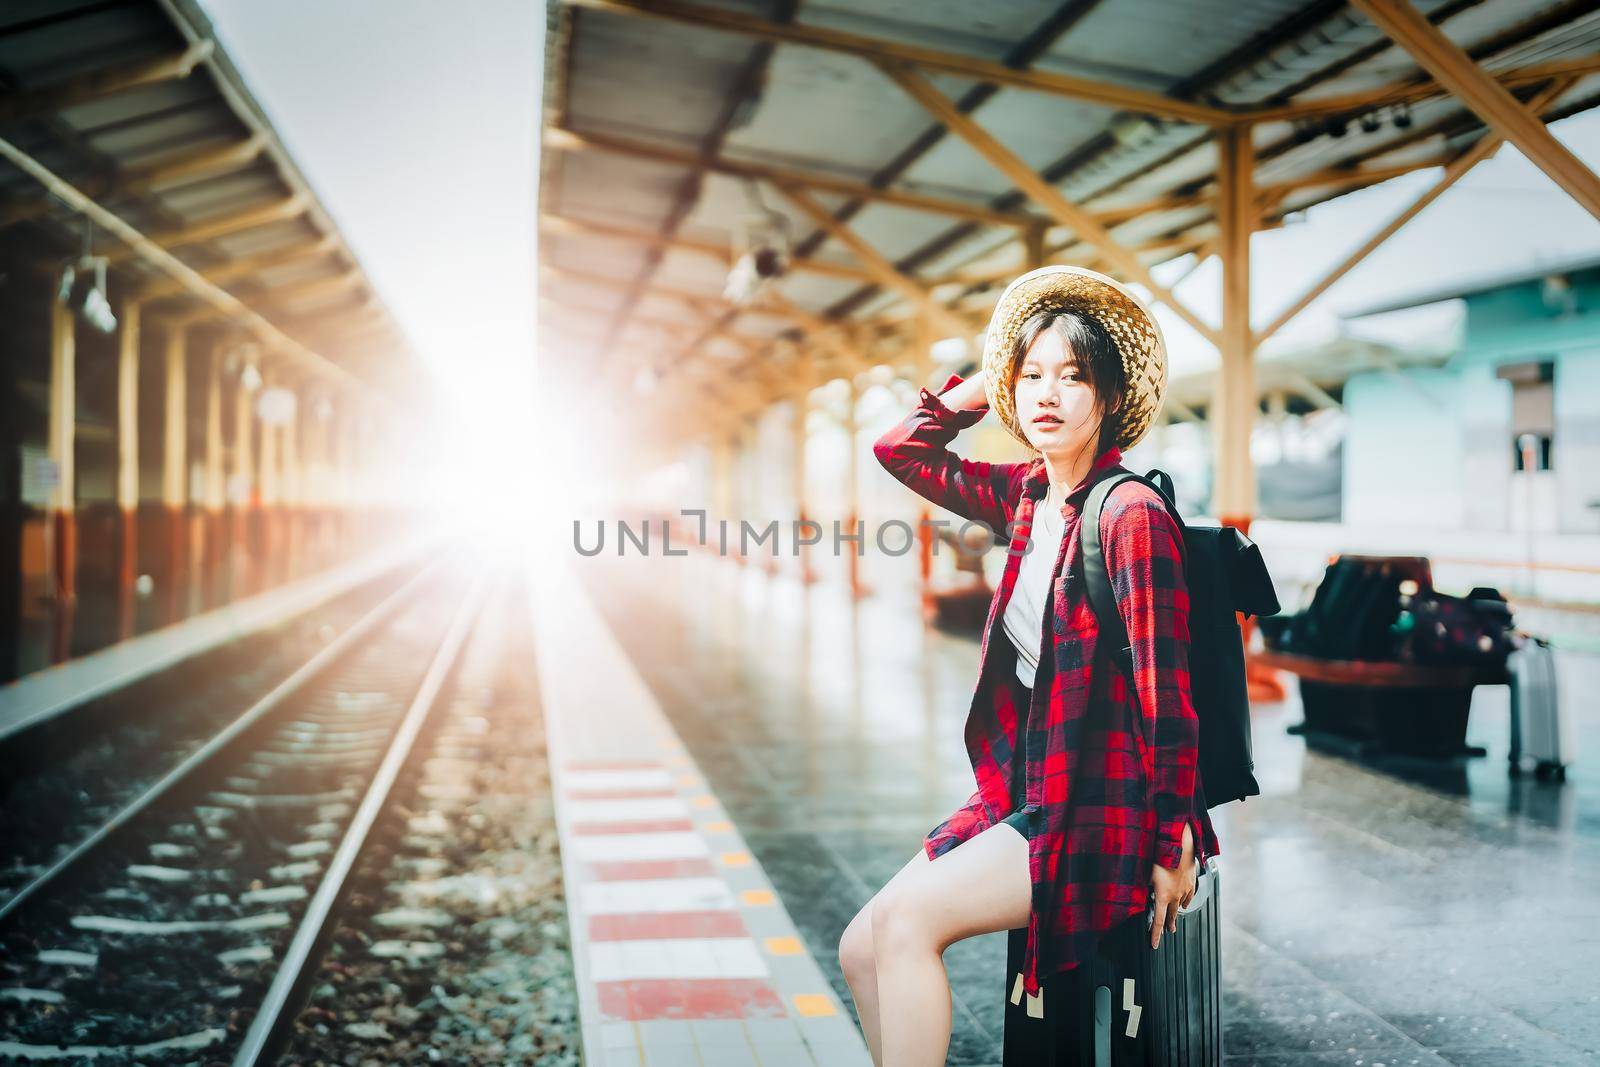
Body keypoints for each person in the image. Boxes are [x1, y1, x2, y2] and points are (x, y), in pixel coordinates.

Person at [841, 266, 1217, 1066]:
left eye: (1073, 377)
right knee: (859, 945)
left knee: (906, 927)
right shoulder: (1025, 493)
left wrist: (1168, 837)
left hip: (1100, 808)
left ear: (1108, 397)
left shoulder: (1130, 514)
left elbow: (1168, 693)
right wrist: (986, 378)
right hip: (1032, 787)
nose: (1047, 394)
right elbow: (897, 449)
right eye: (1033, 375)